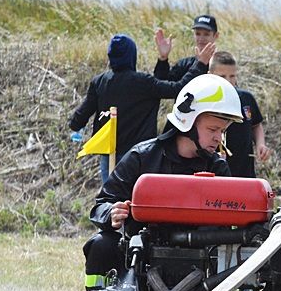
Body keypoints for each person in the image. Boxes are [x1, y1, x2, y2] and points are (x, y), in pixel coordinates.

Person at [66, 74, 243, 291]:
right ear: (187, 121)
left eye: (222, 131)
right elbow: (100, 204)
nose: (218, 138)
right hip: (141, 264)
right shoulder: (141, 157)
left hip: (199, 272)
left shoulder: (218, 168)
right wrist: (111, 213)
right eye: (213, 129)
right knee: (100, 245)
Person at [69, 34, 213, 183]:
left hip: (109, 152)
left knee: (111, 198)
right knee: (137, 198)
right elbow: (177, 88)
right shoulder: (143, 83)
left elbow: (82, 113)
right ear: (132, 56)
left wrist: (75, 125)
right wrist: (200, 64)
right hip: (139, 155)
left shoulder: (99, 82)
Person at [208, 51, 271, 177]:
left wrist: (260, 144)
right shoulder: (205, 101)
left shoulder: (246, 98)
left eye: (232, 76)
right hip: (214, 170)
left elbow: (256, 125)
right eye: (222, 76)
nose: (228, 81)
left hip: (244, 169)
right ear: (210, 75)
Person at [154, 14, 219, 81]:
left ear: (216, 36)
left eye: (206, 34)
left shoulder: (223, 64)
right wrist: (163, 59)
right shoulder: (185, 64)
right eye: (198, 34)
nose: (201, 38)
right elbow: (162, 86)